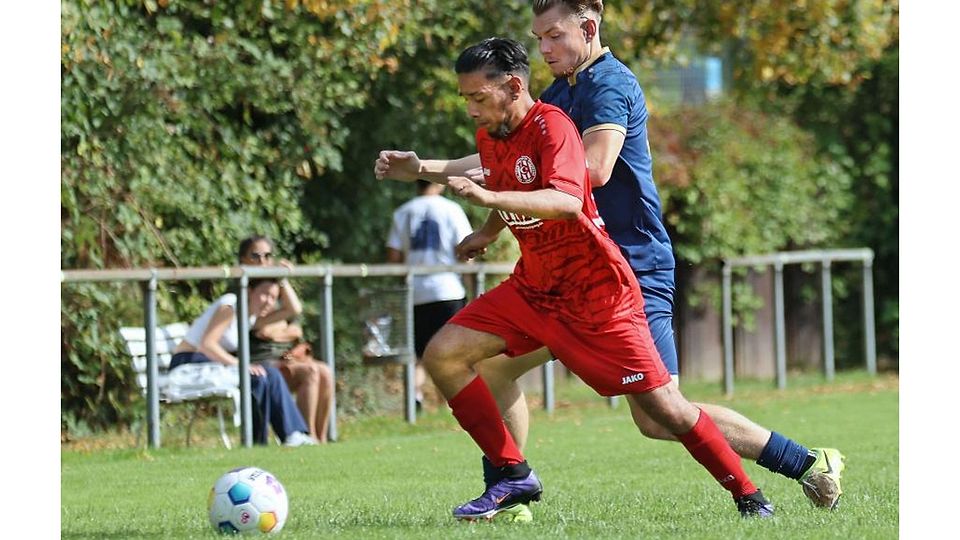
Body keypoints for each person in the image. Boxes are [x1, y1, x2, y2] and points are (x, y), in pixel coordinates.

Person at [374, 0, 845, 519]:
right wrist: (430, 169)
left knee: (659, 415)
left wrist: (485, 193)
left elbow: (588, 173)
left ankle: (804, 462)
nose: (545, 49)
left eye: (554, 36)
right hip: (557, 280)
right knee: (488, 368)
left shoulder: (608, 86)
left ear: (589, 27)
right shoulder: (557, 94)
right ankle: (510, 490)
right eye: (538, 38)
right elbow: (506, 162)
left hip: (628, 266)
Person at [171, 277, 318, 447]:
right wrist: (241, 366)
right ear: (249, 291)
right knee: (257, 378)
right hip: (189, 362)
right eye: (264, 295)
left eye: (273, 297)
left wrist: (282, 278)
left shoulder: (251, 317)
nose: (269, 302)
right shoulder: (231, 305)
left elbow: (293, 309)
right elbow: (207, 345)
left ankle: (293, 434)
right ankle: (257, 442)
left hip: (212, 364)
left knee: (271, 374)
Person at [386, 180, 474, 411]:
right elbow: (467, 250)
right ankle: (448, 405)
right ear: (439, 184)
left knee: (417, 354)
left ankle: (414, 398)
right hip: (448, 289)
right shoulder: (452, 209)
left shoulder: (403, 212)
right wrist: (471, 285)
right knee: (449, 354)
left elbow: (394, 257)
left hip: (415, 292)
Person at [238, 235, 335, 443]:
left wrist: (282, 279)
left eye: (267, 256)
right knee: (310, 372)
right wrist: (277, 326)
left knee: (325, 371)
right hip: (260, 363)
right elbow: (256, 326)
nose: (262, 261)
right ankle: (304, 436)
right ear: (243, 259)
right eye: (255, 256)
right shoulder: (240, 288)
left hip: (282, 358)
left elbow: (294, 322)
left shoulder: (273, 283)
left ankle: (321, 438)